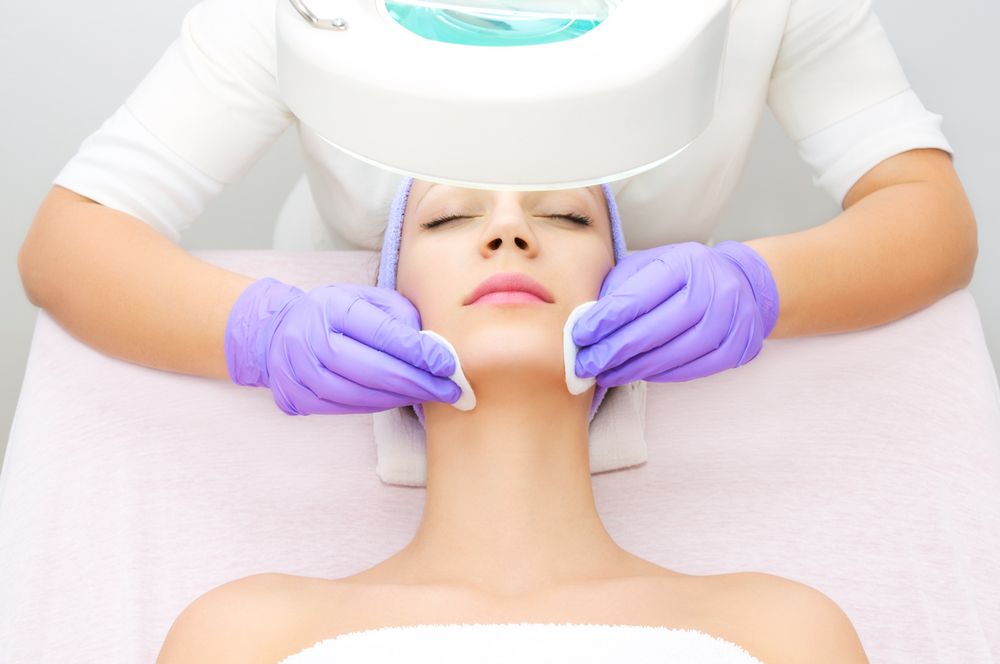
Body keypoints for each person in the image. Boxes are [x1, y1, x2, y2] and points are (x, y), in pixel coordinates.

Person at [156, 178, 869, 663]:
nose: (508, 230)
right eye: (447, 216)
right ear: (382, 309)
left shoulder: (784, 634)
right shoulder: (243, 636)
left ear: (639, 301)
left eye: (565, 214)